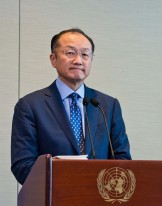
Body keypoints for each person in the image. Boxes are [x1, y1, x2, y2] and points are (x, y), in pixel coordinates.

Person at [11, 28, 131, 185]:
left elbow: (122, 160)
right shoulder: (30, 106)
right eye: (70, 53)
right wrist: (71, 182)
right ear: (53, 59)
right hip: (53, 197)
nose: (78, 61)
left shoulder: (108, 105)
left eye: (85, 54)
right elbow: (23, 166)